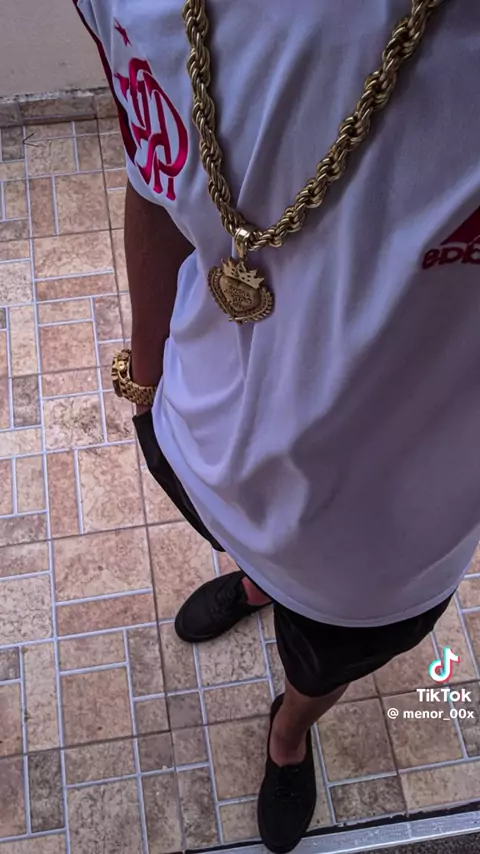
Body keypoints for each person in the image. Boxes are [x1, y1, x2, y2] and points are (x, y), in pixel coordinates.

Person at [75, 1, 480, 851]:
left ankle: (288, 733)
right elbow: (154, 181)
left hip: (390, 542)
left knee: (321, 664)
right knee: (247, 553)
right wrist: (145, 383)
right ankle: (259, 584)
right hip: (201, 438)